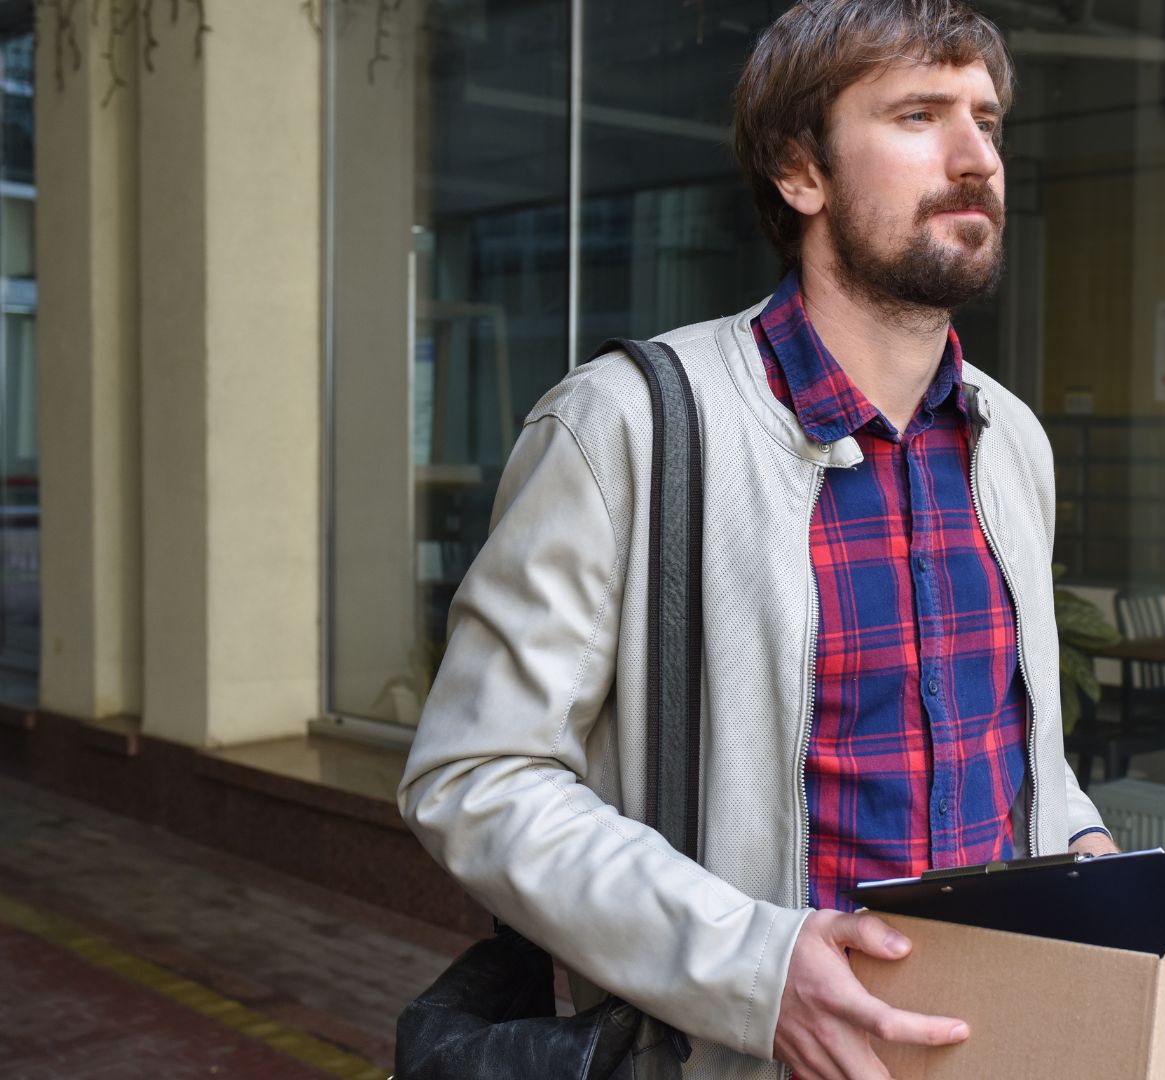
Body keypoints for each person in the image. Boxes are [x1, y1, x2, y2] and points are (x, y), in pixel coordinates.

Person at [398, 2, 1116, 1077]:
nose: (975, 159)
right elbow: (478, 774)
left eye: (988, 119)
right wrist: (758, 968)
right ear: (800, 171)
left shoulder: (1010, 441)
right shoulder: (626, 424)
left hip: (977, 1050)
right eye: (919, 114)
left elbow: (1022, 763)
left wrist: (1085, 853)